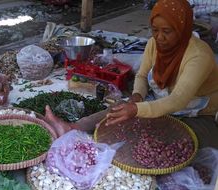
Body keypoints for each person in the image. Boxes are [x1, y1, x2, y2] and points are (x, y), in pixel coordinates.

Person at [44, 0, 218, 148]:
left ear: (182, 29)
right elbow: (142, 76)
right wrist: (136, 97)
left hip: (196, 115)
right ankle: (73, 127)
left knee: (157, 142)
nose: (159, 37)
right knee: (119, 110)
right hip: (159, 100)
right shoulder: (154, 44)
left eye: (167, 31)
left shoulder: (198, 56)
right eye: (155, 30)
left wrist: (136, 110)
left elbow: (178, 100)